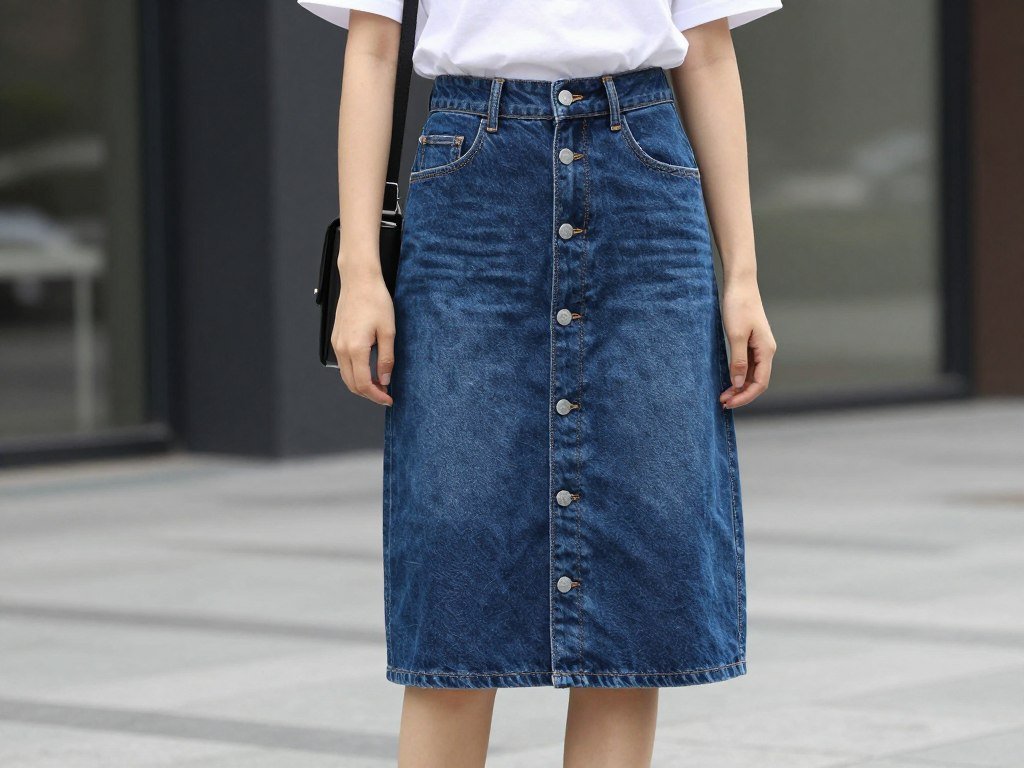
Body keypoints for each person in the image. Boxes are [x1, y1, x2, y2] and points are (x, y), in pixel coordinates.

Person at [298, 1, 781, 765]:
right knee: (456, 569)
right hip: (471, 181)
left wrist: (742, 275)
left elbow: (710, 53)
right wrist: (360, 271)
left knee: (631, 598)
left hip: (644, 178)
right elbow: (373, 51)